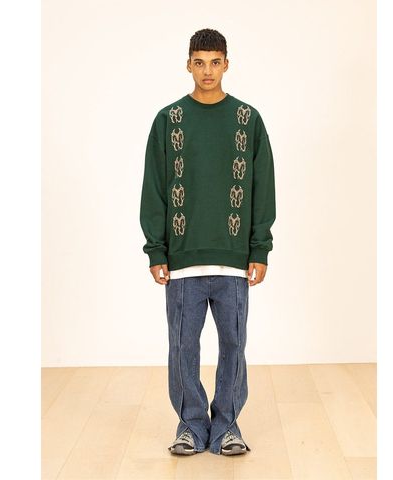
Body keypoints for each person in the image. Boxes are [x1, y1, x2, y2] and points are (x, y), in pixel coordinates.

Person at [139, 28, 276, 456]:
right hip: (183, 260)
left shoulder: (248, 119)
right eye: (199, 62)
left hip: (234, 260)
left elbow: (263, 188)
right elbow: (155, 187)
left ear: (226, 64)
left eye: (215, 62)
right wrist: (156, 249)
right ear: (188, 65)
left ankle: (227, 427)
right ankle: (191, 426)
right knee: (182, 347)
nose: (207, 71)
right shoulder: (169, 120)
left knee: (234, 345)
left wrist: (259, 248)